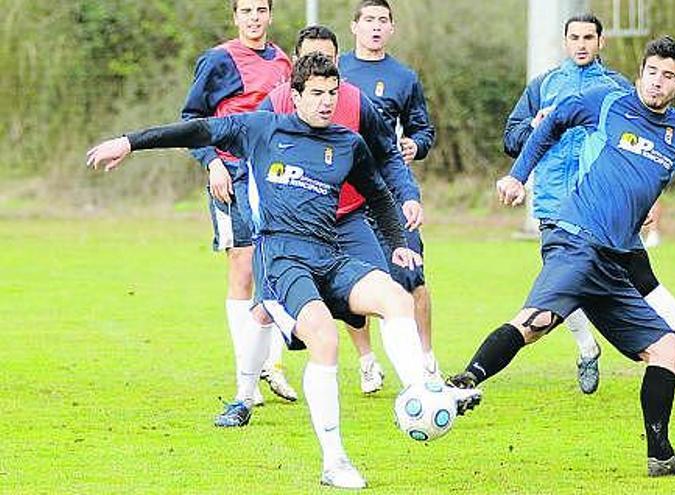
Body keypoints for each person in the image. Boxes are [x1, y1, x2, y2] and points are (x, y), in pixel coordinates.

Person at [87, 53, 481, 489]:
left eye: (332, 93)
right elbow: (195, 129)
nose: (327, 101)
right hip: (280, 257)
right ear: (294, 96)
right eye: (317, 94)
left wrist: (399, 246)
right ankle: (334, 462)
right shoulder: (260, 128)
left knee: (396, 297)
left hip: (328, 254)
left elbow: (380, 196)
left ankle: (420, 392)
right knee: (324, 339)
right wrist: (129, 142)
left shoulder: (348, 143)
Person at [450, 36, 675, 477]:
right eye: (653, 72)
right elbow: (554, 121)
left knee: (667, 349)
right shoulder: (608, 102)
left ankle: (660, 455)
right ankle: (463, 383)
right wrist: (517, 175)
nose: (658, 83)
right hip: (576, 237)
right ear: (641, 72)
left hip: (614, 259)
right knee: (538, 321)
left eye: (669, 77)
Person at [503, 13, 675, 400]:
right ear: (565, 42)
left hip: (609, 212)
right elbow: (512, 137)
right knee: (563, 291)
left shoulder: (619, 88)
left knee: (647, 283)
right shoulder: (543, 85)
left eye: (589, 37)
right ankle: (587, 349)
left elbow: (651, 154)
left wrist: (651, 198)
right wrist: (534, 125)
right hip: (555, 204)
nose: (581, 44)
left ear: (602, 43)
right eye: (574, 37)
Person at [260, 25, 430, 395]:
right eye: (309, 58)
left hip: (350, 216)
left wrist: (409, 196)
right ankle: (250, 387)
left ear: (338, 61)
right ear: (297, 67)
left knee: (386, 289)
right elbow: (244, 156)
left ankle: (415, 381)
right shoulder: (274, 106)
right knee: (266, 303)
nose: (325, 97)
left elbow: (386, 158)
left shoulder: (354, 103)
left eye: (327, 58)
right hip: (292, 232)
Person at [179, 0, 296, 405]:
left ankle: (271, 365)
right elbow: (192, 118)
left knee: (274, 265)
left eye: (261, 9)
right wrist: (211, 162)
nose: (254, 17)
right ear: (235, 16)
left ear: (270, 13)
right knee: (243, 267)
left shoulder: (283, 61)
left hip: (272, 179)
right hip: (230, 175)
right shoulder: (218, 60)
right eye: (246, 10)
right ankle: (245, 370)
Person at [338, 0, 438, 392]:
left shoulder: (403, 77)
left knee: (413, 276)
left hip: (391, 191)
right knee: (352, 281)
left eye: (383, 21)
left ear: (392, 29)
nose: (376, 27)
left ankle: (427, 359)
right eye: (369, 20)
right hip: (346, 192)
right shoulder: (339, 71)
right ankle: (367, 361)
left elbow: (423, 130)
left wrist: (415, 144)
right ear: (354, 27)